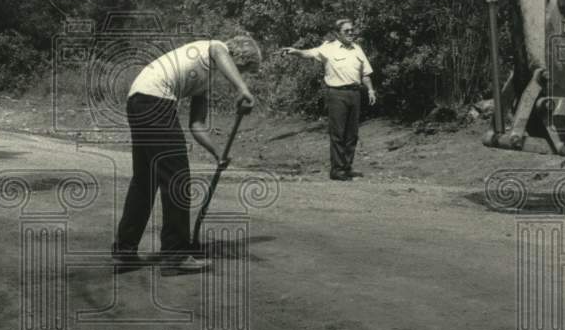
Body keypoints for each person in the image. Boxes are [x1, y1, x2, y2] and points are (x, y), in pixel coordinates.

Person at [113, 36, 261, 274]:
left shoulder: (203, 75)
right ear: (239, 57)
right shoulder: (216, 47)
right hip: (155, 101)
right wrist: (242, 89)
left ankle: (125, 252)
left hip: (139, 100)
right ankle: (176, 255)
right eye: (243, 69)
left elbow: (197, 124)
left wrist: (217, 153)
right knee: (177, 179)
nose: (238, 74)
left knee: (145, 180)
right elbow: (219, 52)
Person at [281, 18, 376, 181]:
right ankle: (337, 170)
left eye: (352, 30)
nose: (351, 33)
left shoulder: (357, 49)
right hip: (337, 94)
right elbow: (308, 53)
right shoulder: (328, 48)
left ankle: (347, 167)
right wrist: (294, 51)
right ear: (338, 34)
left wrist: (371, 90)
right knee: (338, 133)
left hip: (355, 93)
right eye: (347, 31)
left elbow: (365, 73)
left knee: (352, 134)